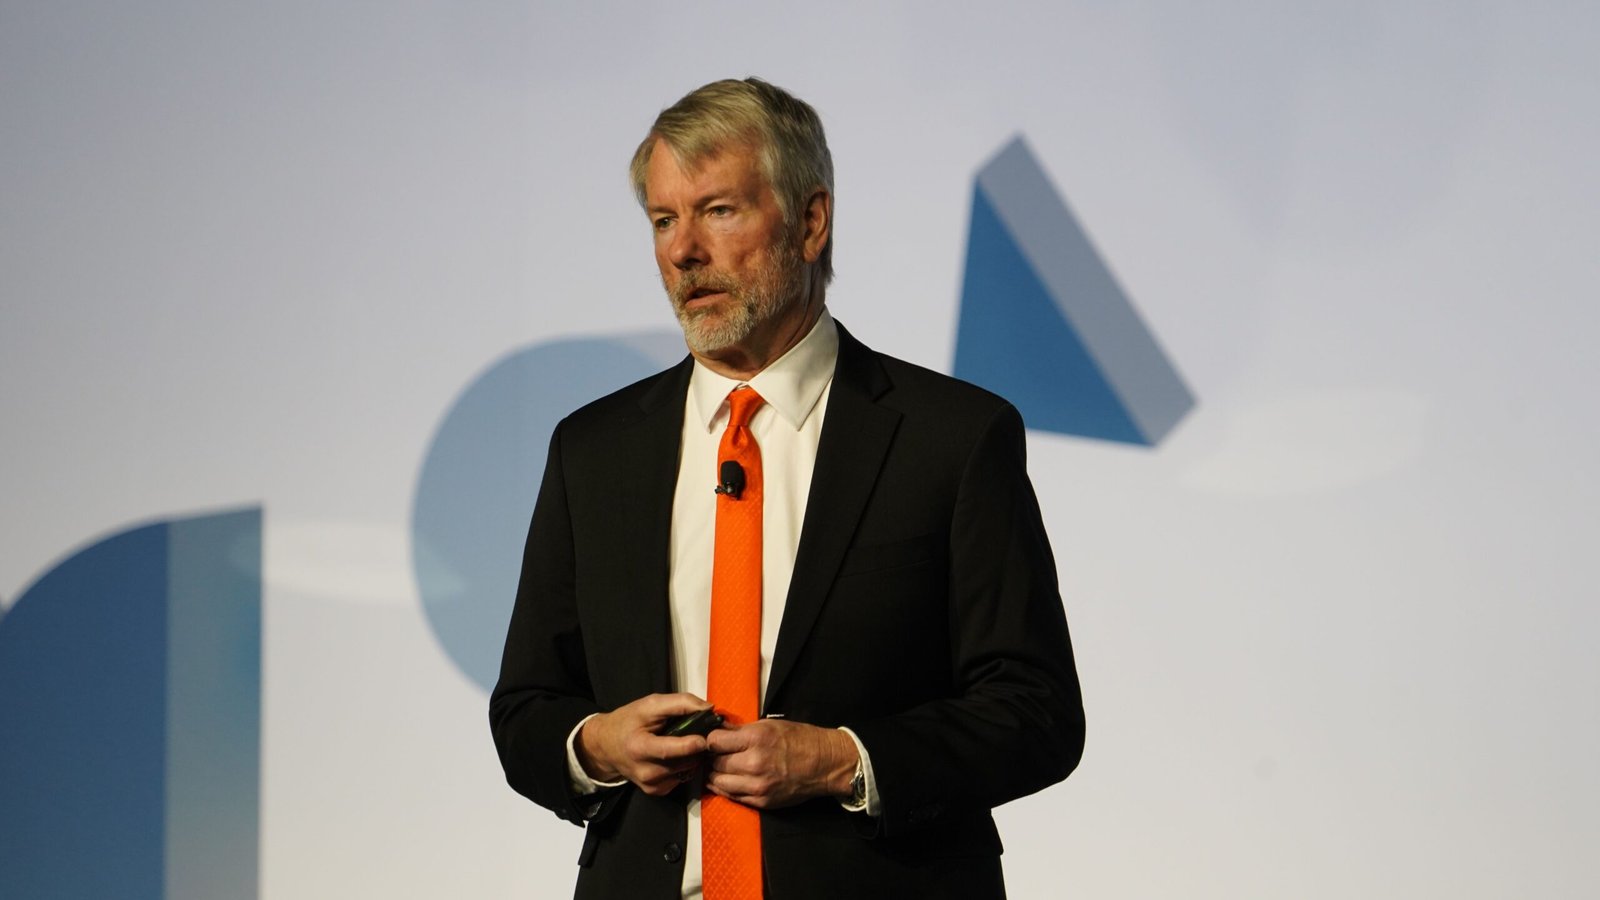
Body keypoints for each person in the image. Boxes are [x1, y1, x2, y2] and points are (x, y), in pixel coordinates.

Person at [490, 77, 1084, 900]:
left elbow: (1036, 712)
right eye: (663, 220)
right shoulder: (593, 450)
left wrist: (843, 760)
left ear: (810, 223)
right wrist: (598, 745)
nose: (682, 250)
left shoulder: (952, 437)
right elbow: (525, 709)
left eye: (717, 211)